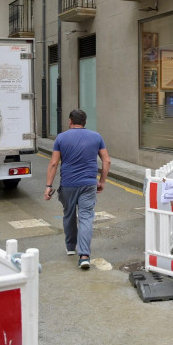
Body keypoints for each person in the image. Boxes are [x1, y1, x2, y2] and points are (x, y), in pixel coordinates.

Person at [43, 109, 111, 270]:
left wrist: (48, 186)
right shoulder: (96, 137)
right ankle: (85, 256)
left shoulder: (61, 138)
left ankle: (70, 247)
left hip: (68, 184)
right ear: (85, 122)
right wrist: (102, 181)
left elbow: (53, 163)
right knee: (86, 217)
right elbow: (106, 161)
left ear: (70, 121)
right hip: (88, 184)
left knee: (69, 214)